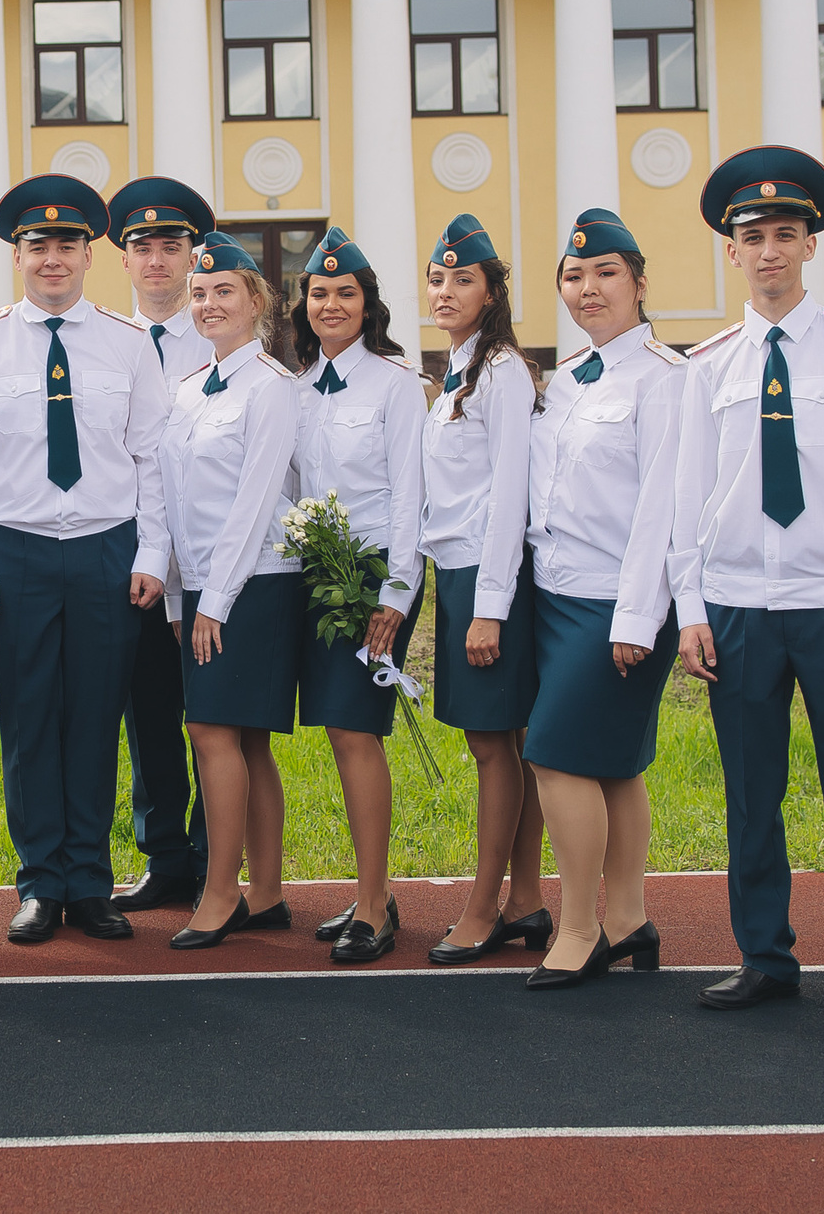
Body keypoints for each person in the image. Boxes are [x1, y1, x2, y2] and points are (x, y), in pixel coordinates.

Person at [673, 147, 824, 1033]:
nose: (769, 250)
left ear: (810, 246)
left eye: (785, 234)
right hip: (739, 606)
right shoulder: (708, 365)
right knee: (751, 791)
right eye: (752, 237)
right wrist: (691, 609)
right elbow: (687, 502)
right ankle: (764, 955)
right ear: (730, 251)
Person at [0, 174, 171, 945]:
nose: (53, 259)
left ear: (89, 254)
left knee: (98, 717)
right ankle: (41, 880)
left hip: (108, 550)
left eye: (68, 244)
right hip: (16, 552)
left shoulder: (129, 346)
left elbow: (151, 459)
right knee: (31, 720)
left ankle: (90, 881)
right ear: (17, 255)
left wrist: (153, 552)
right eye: (38, 245)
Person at [521, 209, 683, 990]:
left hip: (616, 599)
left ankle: (579, 925)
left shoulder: (665, 377)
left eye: (606, 273)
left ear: (640, 283)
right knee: (614, 766)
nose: (588, 289)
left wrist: (636, 614)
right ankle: (629, 918)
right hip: (555, 595)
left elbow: (663, 506)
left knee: (552, 754)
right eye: (574, 277)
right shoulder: (568, 377)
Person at [155, 233, 302, 951]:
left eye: (224, 292)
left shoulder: (271, 386)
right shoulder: (187, 391)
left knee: (214, 733)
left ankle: (221, 892)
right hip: (203, 590)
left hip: (253, 586)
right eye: (201, 293)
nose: (209, 304)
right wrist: (180, 593)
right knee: (244, 740)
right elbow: (172, 497)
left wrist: (214, 598)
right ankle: (268, 892)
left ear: (256, 301)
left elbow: (255, 499)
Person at [291, 226, 427, 964]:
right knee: (342, 732)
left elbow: (411, 496)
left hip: (376, 576)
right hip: (320, 574)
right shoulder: (301, 387)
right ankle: (369, 887)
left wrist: (397, 594)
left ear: (368, 305)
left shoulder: (397, 385)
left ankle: (376, 904)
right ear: (303, 304)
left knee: (356, 730)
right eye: (320, 292)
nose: (332, 303)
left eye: (346, 292)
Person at [420, 214, 550, 964]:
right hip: (461, 573)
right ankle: (526, 898)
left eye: (462, 278)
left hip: (486, 577)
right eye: (437, 278)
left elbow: (510, 494)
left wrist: (489, 609)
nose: (445, 290)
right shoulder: (463, 371)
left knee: (492, 748)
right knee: (511, 748)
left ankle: (481, 907)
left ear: (492, 290)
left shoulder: (500, 372)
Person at [103, 177, 217, 915]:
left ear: (192, 255)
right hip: (138, 563)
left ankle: (217, 853)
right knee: (147, 714)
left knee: (215, 713)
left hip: (212, 563)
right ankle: (165, 855)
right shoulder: (106, 344)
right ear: (124, 259)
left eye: (170, 246)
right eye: (142, 246)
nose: (156, 259)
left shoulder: (226, 337)